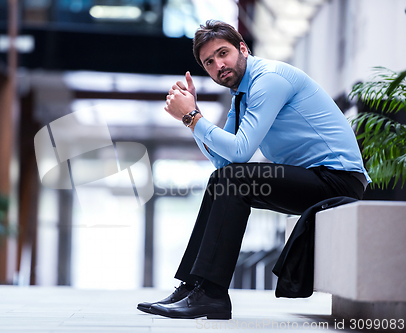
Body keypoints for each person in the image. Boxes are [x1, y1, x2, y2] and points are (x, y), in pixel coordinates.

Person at [137, 20, 370, 320]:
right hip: (315, 179)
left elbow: (240, 151)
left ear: (243, 49)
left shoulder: (268, 80)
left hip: (338, 180)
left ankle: (211, 293)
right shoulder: (241, 95)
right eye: (209, 62)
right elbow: (225, 163)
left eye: (223, 53)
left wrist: (192, 117)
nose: (218, 65)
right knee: (223, 180)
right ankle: (193, 286)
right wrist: (193, 119)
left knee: (231, 181)